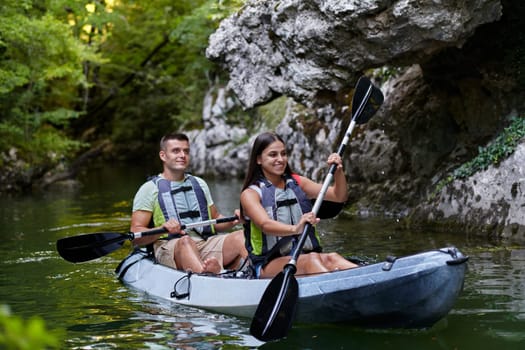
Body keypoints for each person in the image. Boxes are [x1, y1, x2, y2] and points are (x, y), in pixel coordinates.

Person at [240, 132, 358, 278]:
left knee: (332, 257)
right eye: (273, 155)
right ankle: (341, 286)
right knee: (312, 260)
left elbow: (339, 196)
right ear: (259, 159)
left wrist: (338, 171)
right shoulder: (251, 194)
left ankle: (369, 277)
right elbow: (265, 224)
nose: (280, 159)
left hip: (305, 256)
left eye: (283, 154)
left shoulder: (297, 183)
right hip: (268, 264)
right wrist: (295, 228)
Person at [130, 132, 247, 274]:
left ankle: (262, 276)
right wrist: (162, 228)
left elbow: (215, 219)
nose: (182, 155)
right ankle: (209, 276)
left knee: (242, 235)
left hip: (205, 243)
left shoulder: (199, 183)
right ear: (163, 156)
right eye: (176, 151)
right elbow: (135, 234)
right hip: (170, 246)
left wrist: (235, 220)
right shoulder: (149, 189)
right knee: (186, 241)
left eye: (186, 151)